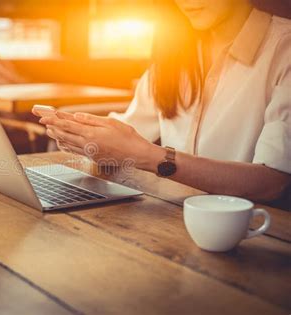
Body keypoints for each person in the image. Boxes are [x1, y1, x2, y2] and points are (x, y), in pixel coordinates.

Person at [34, 0, 291, 204]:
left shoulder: (284, 49)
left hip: (253, 229)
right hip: (173, 216)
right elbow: (129, 131)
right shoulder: (175, 54)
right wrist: (82, 135)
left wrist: (152, 157)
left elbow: (273, 183)